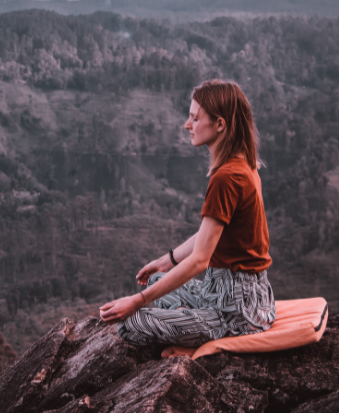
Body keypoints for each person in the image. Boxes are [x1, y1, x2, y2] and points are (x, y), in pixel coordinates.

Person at [99, 79, 276, 349]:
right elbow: (211, 234)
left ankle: (196, 326)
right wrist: (167, 260)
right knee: (158, 280)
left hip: (235, 313)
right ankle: (188, 319)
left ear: (220, 124)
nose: (187, 124)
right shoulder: (244, 166)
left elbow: (199, 261)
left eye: (195, 118)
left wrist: (138, 301)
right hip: (247, 297)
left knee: (131, 323)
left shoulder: (226, 178)